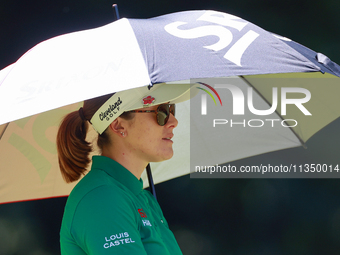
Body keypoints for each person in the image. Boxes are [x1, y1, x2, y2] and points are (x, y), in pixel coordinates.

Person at [57, 83, 192, 254]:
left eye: (171, 109)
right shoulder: (101, 198)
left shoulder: (142, 197)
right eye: (161, 112)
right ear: (118, 125)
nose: (173, 121)